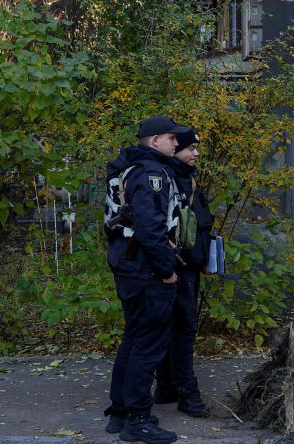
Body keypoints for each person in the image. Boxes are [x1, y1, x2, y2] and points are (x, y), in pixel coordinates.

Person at [103, 116, 190, 444]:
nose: (176, 144)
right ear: (155, 141)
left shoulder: (129, 168)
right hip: (146, 270)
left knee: (134, 338)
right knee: (148, 345)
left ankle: (121, 411)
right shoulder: (151, 173)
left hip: (129, 265)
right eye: (172, 138)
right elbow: (150, 229)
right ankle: (137, 420)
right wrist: (167, 269)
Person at [153, 128, 213, 417]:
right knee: (182, 328)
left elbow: (199, 224)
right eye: (190, 148)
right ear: (175, 149)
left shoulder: (187, 179)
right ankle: (187, 393)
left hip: (188, 264)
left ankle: (166, 386)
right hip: (177, 266)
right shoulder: (169, 180)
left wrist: (206, 257)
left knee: (172, 327)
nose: (195, 153)